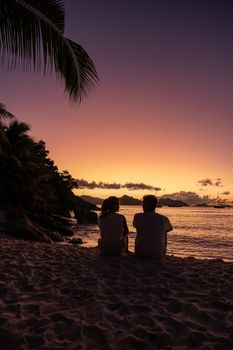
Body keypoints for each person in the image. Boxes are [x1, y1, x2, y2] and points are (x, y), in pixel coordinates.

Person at [133, 195, 173, 260]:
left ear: (146, 205)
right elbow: (170, 229)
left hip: (139, 253)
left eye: (143, 204)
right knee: (164, 231)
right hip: (157, 255)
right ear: (155, 205)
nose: (142, 206)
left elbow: (135, 226)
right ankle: (157, 249)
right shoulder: (163, 218)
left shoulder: (137, 216)